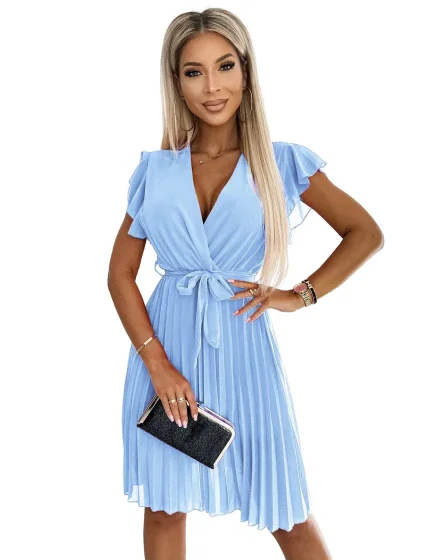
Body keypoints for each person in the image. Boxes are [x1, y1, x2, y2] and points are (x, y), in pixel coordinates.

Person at [107, 8, 384, 560]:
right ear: (176, 82)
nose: (213, 86)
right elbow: (119, 273)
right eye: (194, 72)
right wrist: (156, 364)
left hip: (244, 352)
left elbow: (365, 233)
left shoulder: (281, 163)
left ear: (246, 70)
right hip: (165, 351)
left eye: (225, 66)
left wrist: (298, 296)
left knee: (286, 511)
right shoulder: (155, 171)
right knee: (163, 509)